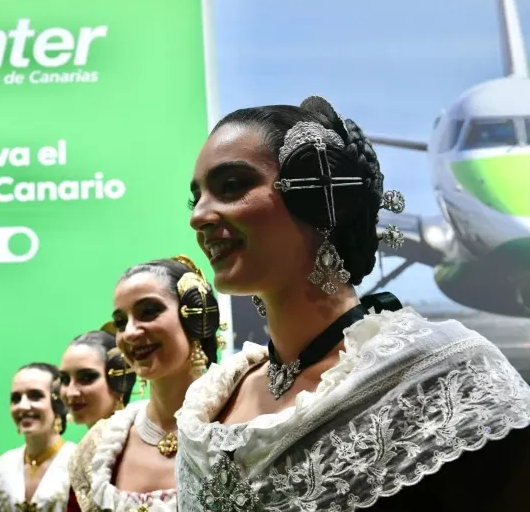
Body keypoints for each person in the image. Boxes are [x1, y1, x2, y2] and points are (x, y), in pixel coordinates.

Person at [176, 96, 530, 511]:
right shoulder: (209, 406)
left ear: (322, 196)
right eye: (195, 197)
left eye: (232, 186)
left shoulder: (446, 378)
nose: (198, 216)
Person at [68, 255, 224, 512]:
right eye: (120, 322)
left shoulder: (240, 424)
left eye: (149, 312)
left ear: (196, 315)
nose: (129, 332)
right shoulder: (99, 445)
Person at [0, 363, 76, 511]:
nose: (23, 406)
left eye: (35, 396)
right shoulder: (0, 469)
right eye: (16, 398)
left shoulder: (78, 464)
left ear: (58, 402)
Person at [60, 330, 136, 428]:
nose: (71, 393)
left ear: (120, 380)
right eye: (65, 380)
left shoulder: (140, 441)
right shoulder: (89, 442)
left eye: (86, 378)